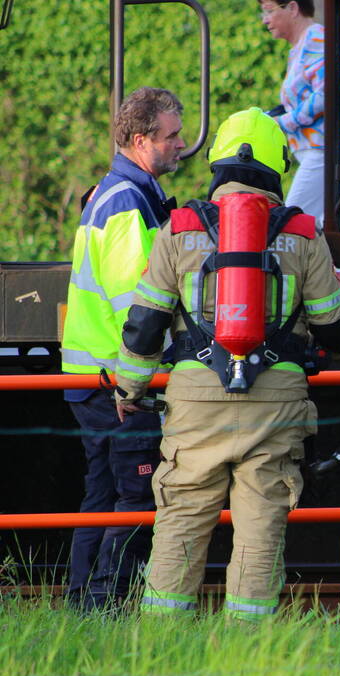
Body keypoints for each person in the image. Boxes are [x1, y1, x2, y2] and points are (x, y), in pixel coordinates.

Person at [114, 108, 340, 621]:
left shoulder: (178, 229)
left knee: (181, 517)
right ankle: (249, 645)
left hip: (195, 400)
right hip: (276, 402)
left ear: (219, 163)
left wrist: (129, 389)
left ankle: (161, 636)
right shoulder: (303, 235)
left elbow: (144, 324)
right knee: (261, 523)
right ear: (276, 167)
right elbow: (336, 330)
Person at [61, 86, 185, 609]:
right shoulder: (128, 203)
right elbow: (136, 309)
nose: (181, 144)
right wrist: (143, 379)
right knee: (133, 500)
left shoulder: (121, 193)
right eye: (172, 136)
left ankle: (83, 606)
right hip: (116, 384)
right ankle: (108, 610)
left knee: (102, 499)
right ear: (140, 140)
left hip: (95, 377)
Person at [260, 0, 340, 227]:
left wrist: (282, 122)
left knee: (289, 226)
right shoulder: (300, 47)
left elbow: (327, 93)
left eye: (270, 11)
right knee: (333, 232)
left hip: (327, 151)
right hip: (322, 151)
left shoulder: (317, 40)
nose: (265, 20)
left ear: (293, 8)